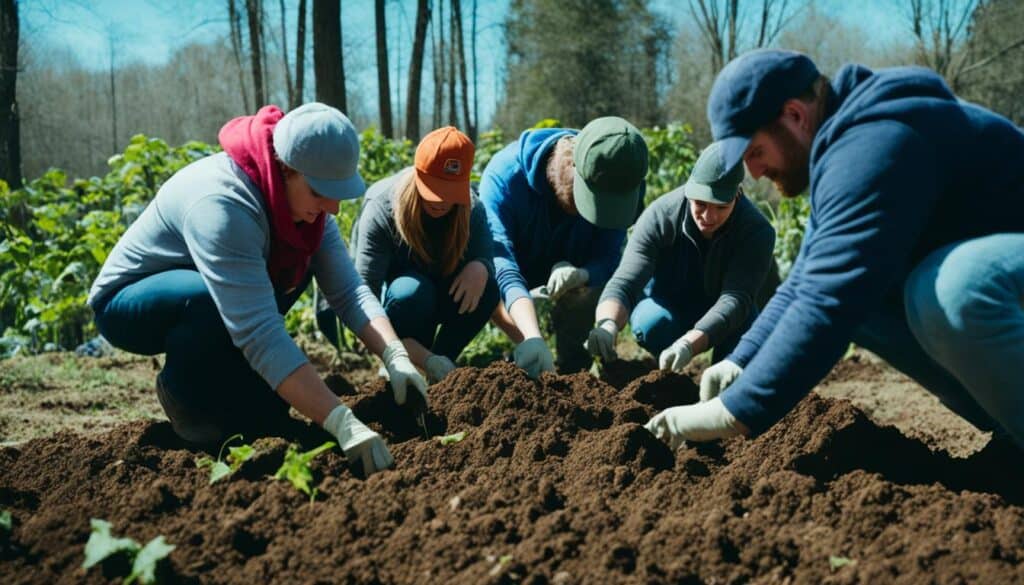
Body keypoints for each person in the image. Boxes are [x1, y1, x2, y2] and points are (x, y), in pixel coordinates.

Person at [645, 48, 1024, 452]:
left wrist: (734, 411)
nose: (753, 173)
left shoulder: (877, 141)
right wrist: (741, 359)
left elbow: (828, 301)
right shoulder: (843, 148)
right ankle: (1009, 427)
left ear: (794, 115)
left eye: (755, 152)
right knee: (874, 304)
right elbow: (805, 281)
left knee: (956, 288)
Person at [88, 103, 429, 477]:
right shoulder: (223, 205)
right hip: (131, 303)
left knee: (264, 415)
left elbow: (348, 291)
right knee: (205, 304)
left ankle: (230, 393)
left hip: (226, 300)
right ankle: (184, 398)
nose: (331, 207)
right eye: (320, 192)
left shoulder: (308, 212)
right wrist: (341, 421)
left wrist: (394, 355)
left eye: (337, 194)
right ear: (286, 168)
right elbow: (259, 331)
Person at [479, 117, 649, 377]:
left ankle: (572, 364)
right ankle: (528, 346)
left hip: (575, 277)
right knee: (479, 276)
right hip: (517, 279)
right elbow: (500, 261)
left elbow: (610, 257)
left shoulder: (621, 177)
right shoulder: (505, 178)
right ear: (570, 172)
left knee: (573, 364)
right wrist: (530, 335)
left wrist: (584, 275)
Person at [587, 141, 776, 373]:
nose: (708, 216)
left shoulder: (757, 231)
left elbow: (735, 299)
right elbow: (626, 282)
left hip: (729, 315)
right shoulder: (661, 216)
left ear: (738, 194)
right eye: (701, 204)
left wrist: (689, 344)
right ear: (690, 188)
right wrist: (607, 325)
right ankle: (666, 375)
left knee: (737, 365)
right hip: (669, 306)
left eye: (721, 207)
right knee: (652, 324)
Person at [350, 126, 499, 384]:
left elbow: (487, 258)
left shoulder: (471, 210)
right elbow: (364, 295)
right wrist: (393, 350)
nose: (440, 201)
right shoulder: (382, 209)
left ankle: (442, 371)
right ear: (417, 175)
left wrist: (481, 266)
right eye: (433, 188)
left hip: (444, 291)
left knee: (487, 289)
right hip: (403, 306)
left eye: (450, 191)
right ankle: (405, 364)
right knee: (412, 291)